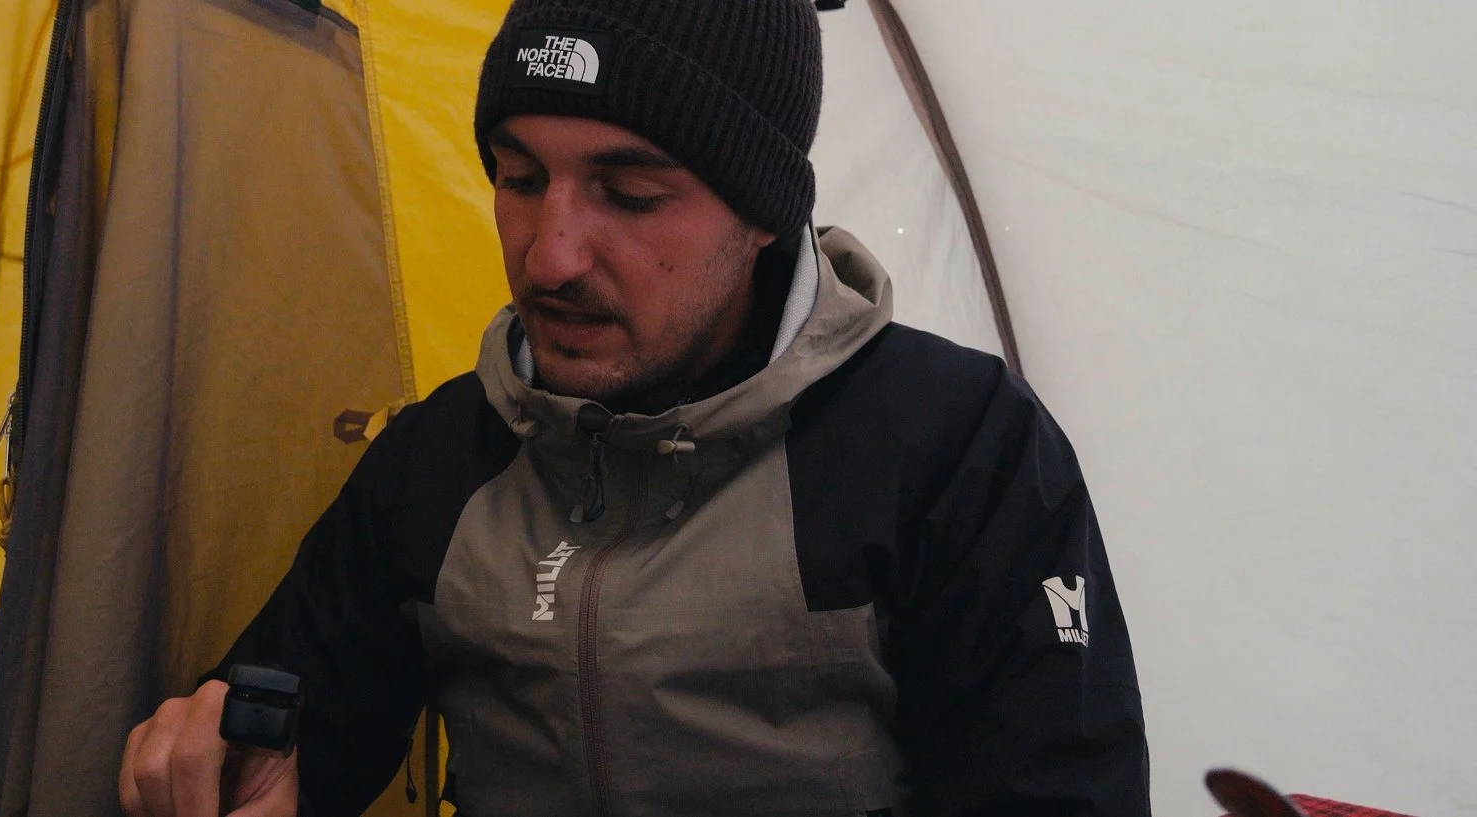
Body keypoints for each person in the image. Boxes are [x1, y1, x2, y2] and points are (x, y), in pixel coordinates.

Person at [120, 0, 1150, 814]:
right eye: (520, 178)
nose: (549, 254)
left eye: (630, 193)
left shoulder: (947, 446)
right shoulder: (444, 461)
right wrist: (217, 773)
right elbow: (280, 737)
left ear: (761, 214)